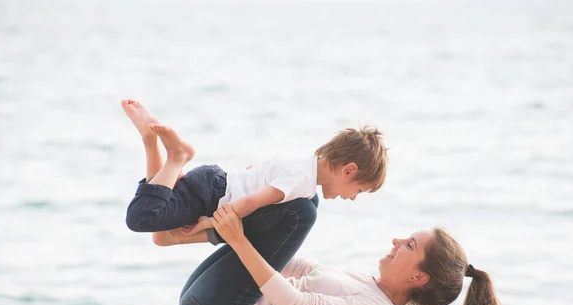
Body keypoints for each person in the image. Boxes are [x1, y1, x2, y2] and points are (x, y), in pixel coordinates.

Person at [177, 203, 513, 305]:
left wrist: (238, 238)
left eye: (409, 245)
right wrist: (257, 231)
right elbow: (294, 265)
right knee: (298, 207)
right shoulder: (369, 285)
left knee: (302, 212)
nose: (397, 241)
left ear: (419, 278)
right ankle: (181, 228)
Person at [121, 99, 388, 245]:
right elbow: (251, 202)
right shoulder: (301, 181)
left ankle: (149, 140)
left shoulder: (298, 162)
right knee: (141, 218)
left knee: (161, 237)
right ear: (349, 171)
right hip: (212, 196)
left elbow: (251, 171)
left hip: (214, 181)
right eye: (359, 191)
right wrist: (211, 222)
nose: (353, 197)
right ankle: (177, 157)